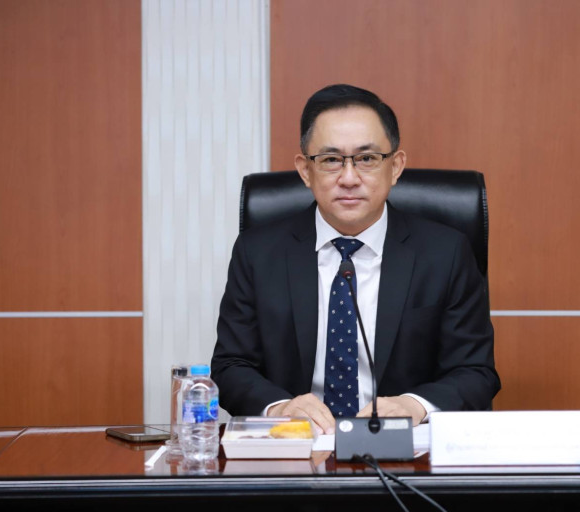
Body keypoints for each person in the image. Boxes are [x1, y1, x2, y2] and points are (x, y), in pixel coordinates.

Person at [210, 84, 500, 434]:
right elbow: (231, 365)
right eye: (331, 160)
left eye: (367, 159)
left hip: (402, 449)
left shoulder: (446, 253)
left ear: (396, 166)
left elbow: (475, 372)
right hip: (297, 446)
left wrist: (414, 405)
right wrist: (280, 407)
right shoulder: (258, 253)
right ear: (305, 170)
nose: (349, 178)